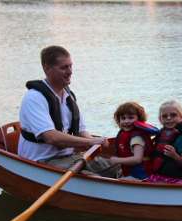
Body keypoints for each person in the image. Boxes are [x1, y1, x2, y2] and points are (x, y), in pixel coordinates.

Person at [18, 45, 112, 176]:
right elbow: (51, 137)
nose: (70, 71)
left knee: (119, 167)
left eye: (70, 66)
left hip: (71, 157)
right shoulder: (34, 98)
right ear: (48, 69)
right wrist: (91, 142)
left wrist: (92, 143)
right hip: (43, 161)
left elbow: (80, 130)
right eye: (64, 68)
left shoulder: (69, 95)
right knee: (94, 180)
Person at [109, 102, 158, 181]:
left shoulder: (137, 138)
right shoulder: (127, 134)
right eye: (123, 118)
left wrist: (117, 160)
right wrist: (123, 170)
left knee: (117, 181)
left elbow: (137, 159)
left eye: (131, 118)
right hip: (133, 174)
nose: (126, 121)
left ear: (139, 119)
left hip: (142, 177)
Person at [147, 99, 182, 183]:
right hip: (160, 176)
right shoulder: (161, 134)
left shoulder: (181, 138)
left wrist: (175, 156)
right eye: (165, 116)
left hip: (177, 178)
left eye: (173, 115)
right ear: (160, 119)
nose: (169, 118)